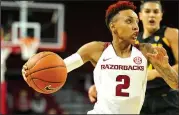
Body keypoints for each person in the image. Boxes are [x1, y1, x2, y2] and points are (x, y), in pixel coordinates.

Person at [22, 1, 178, 114]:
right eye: (129, 21)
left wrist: (165, 67)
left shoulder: (145, 50)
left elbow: (175, 84)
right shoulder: (95, 49)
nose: (136, 26)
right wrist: (30, 72)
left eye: (136, 22)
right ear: (113, 26)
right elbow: (61, 67)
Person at [88, 0, 179, 114]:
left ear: (161, 15)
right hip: (142, 98)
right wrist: (100, 85)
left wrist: (155, 72)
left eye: (156, 12)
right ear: (140, 16)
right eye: (147, 11)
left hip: (166, 97)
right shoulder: (134, 42)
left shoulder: (170, 33)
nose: (152, 15)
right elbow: (121, 70)